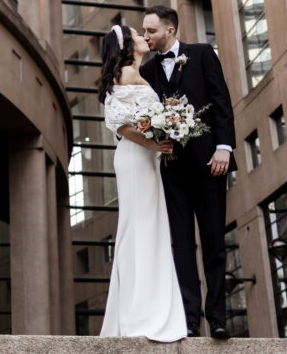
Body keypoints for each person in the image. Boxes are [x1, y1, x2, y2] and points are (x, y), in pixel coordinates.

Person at [140, 5, 236, 339]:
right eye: (144, 31)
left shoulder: (202, 54)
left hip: (210, 164)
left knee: (214, 243)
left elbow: (221, 102)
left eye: (150, 31)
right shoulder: (146, 71)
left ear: (169, 30)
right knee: (181, 246)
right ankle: (189, 321)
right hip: (171, 170)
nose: (146, 36)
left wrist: (224, 147)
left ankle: (219, 318)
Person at [98, 24, 187, 341]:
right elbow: (120, 124)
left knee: (145, 229)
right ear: (127, 45)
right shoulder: (127, 74)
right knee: (140, 229)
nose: (143, 38)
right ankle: (141, 313)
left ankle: (141, 309)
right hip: (136, 159)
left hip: (143, 160)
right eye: (137, 35)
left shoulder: (131, 74)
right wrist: (154, 144)